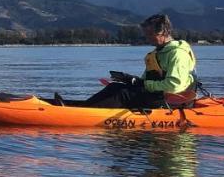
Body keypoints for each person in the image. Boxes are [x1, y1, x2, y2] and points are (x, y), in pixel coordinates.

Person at [65, 13, 198, 108]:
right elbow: (147, 81)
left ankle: (84, 112)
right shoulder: (156, 53)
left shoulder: (178, 54)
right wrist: (132, 80)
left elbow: (174, 86)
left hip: (174, 99)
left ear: (163, 32)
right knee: (115, 86)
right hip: (157, 95)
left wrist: (143, 84)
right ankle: (82, 107)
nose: (147, 38)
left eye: (150, 34)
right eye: (146, 34)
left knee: (123, 94)